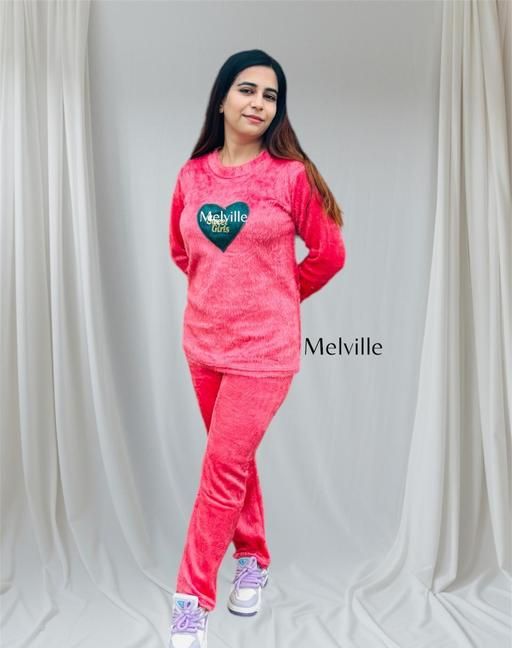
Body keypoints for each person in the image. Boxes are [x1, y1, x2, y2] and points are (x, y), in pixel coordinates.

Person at [167, 48, 346, 648]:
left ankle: (190, 600)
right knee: (233, 460)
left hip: (265, 353)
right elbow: (181, 251)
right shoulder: (192, 176)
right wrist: (222, 296)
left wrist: (276, 295)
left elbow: (329, 254)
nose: (258, 103)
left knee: (220, 468)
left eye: (271, 96)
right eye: (247, 90)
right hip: (203, 346)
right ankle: (253, 558)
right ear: (222, 98)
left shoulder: (290, 177)